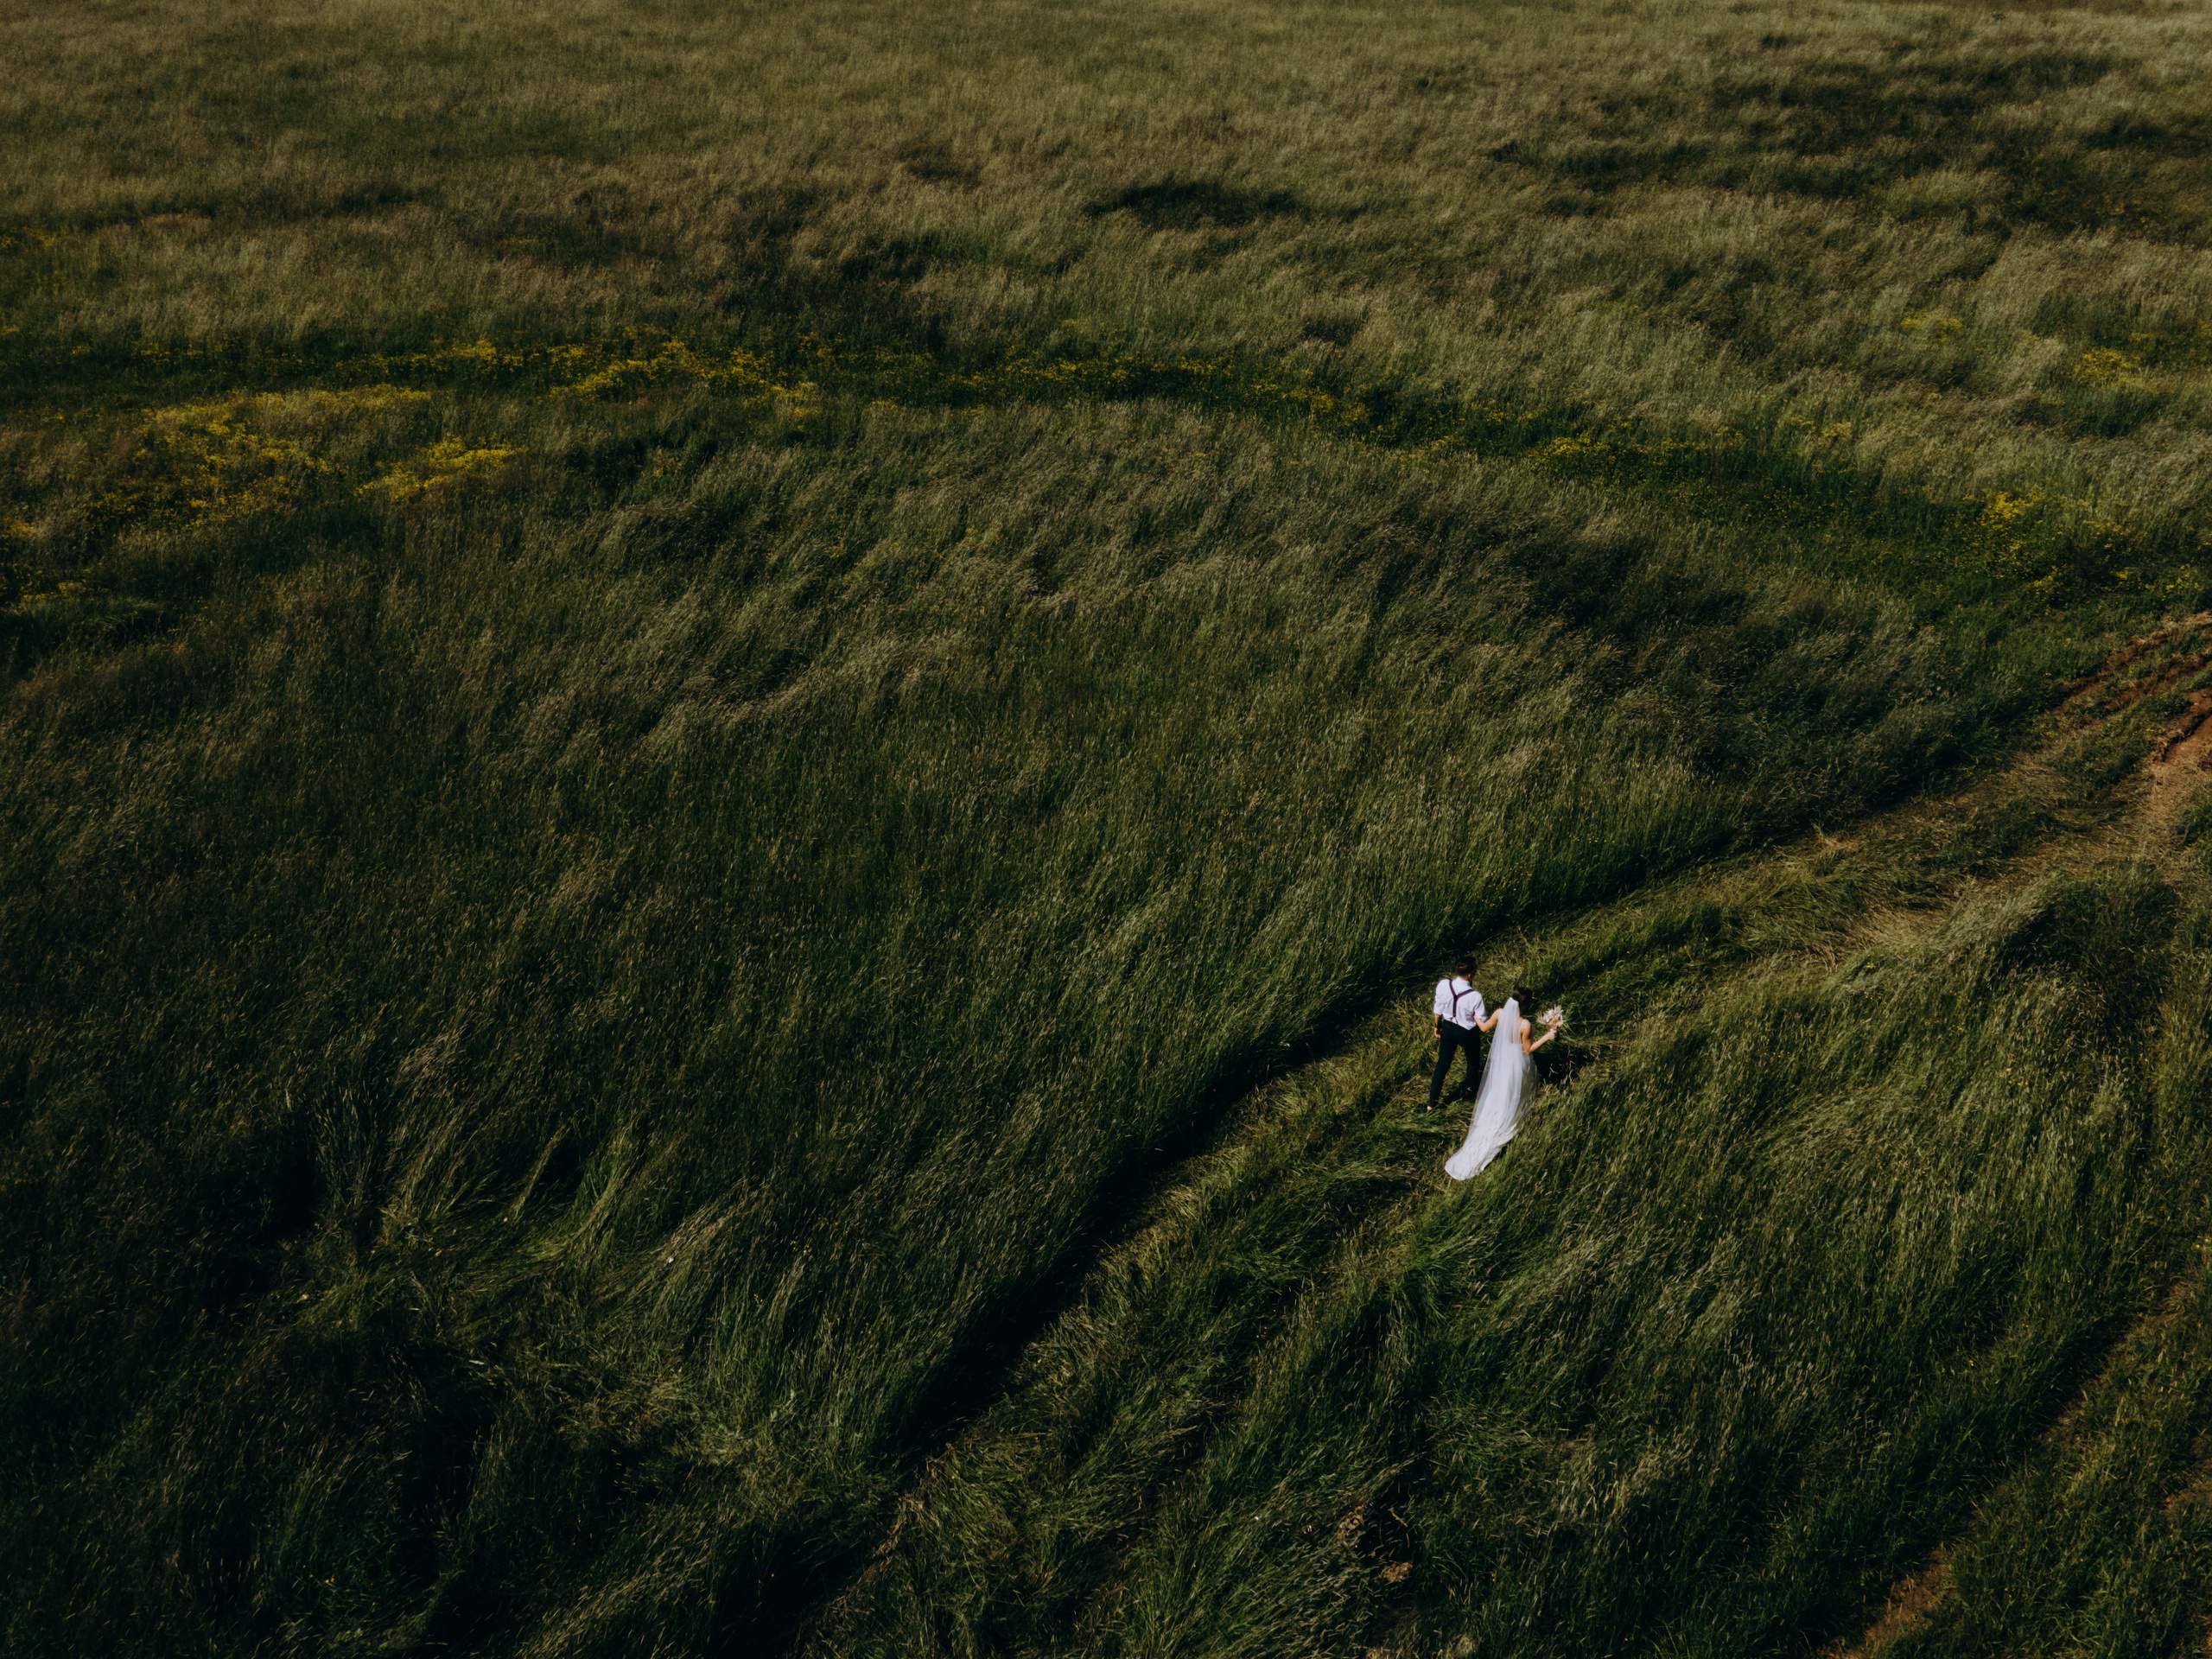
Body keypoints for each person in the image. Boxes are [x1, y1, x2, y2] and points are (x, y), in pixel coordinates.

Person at [1444, 984, 1558, 1181]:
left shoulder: (1499, 1013)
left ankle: (1494, 1120)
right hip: (1516, 1065)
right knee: (1514, 1094)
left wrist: (1473, 1013)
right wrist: (1548, 1036)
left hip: (1500, 1062)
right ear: (1527, 1005)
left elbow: (1484, 1027)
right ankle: (1507, 1120)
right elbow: (1528, 1050)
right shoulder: (1525, 1025)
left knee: (1499, 1093)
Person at [1428, 957, 1487, 1112]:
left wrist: (1437, 1026)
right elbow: (1483, 1021)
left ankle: (1431, 1102)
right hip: (1467, 1032)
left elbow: (1438, 1008)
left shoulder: (1443, 985)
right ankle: (1470, 1093)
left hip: (1448, 1027)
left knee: (1442, 1065)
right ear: (1470, 975)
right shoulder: (1475, 996)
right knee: (1473, 1063)